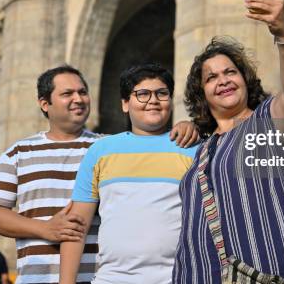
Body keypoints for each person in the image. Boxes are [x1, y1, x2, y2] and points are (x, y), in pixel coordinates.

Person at [173, 0, 284, 283]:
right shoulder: (201, 149)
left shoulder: (269, 121)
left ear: (244, 79)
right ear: (201, 93)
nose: (223, 80)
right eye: (211, 77)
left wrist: (283, 33)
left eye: (230, 72)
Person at [0, 65, 197, 284]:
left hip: (98, 276)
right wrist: (46, 229)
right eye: (67, 94)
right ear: (45, 104)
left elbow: (148, 140)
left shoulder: (106, 147)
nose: (78, 99)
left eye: (83, 92)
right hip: (36, 276)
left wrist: (189, 126)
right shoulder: (19, 153)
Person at [59, 64, 199, 284]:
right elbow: (76, 226)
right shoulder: (100, 151)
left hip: (179, 277)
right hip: (112, 278)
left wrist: (196, 127)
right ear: (125, 104)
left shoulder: (193, 149)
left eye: (162, 93)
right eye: (142, 94)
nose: (153, 100)